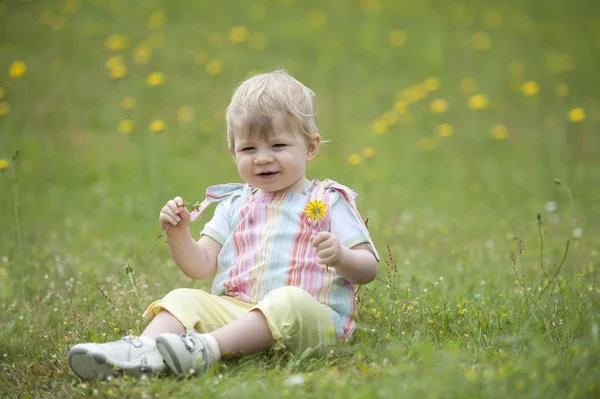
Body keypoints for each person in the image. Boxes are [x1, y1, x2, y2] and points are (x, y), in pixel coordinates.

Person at [68, 70, 379, 380]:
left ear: (310, 147)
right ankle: (138, 353)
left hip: (312, 322)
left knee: (288, 300)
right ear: (233, 152)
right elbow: (200, 266)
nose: (262, 159)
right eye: (249, 149)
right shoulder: (235, 204)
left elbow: (368, 268)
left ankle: (206, 349)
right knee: (183, 297)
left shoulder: (329, 200)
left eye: (278, 146)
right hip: (239, 313)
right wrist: (178, 235)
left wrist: (341, 257)